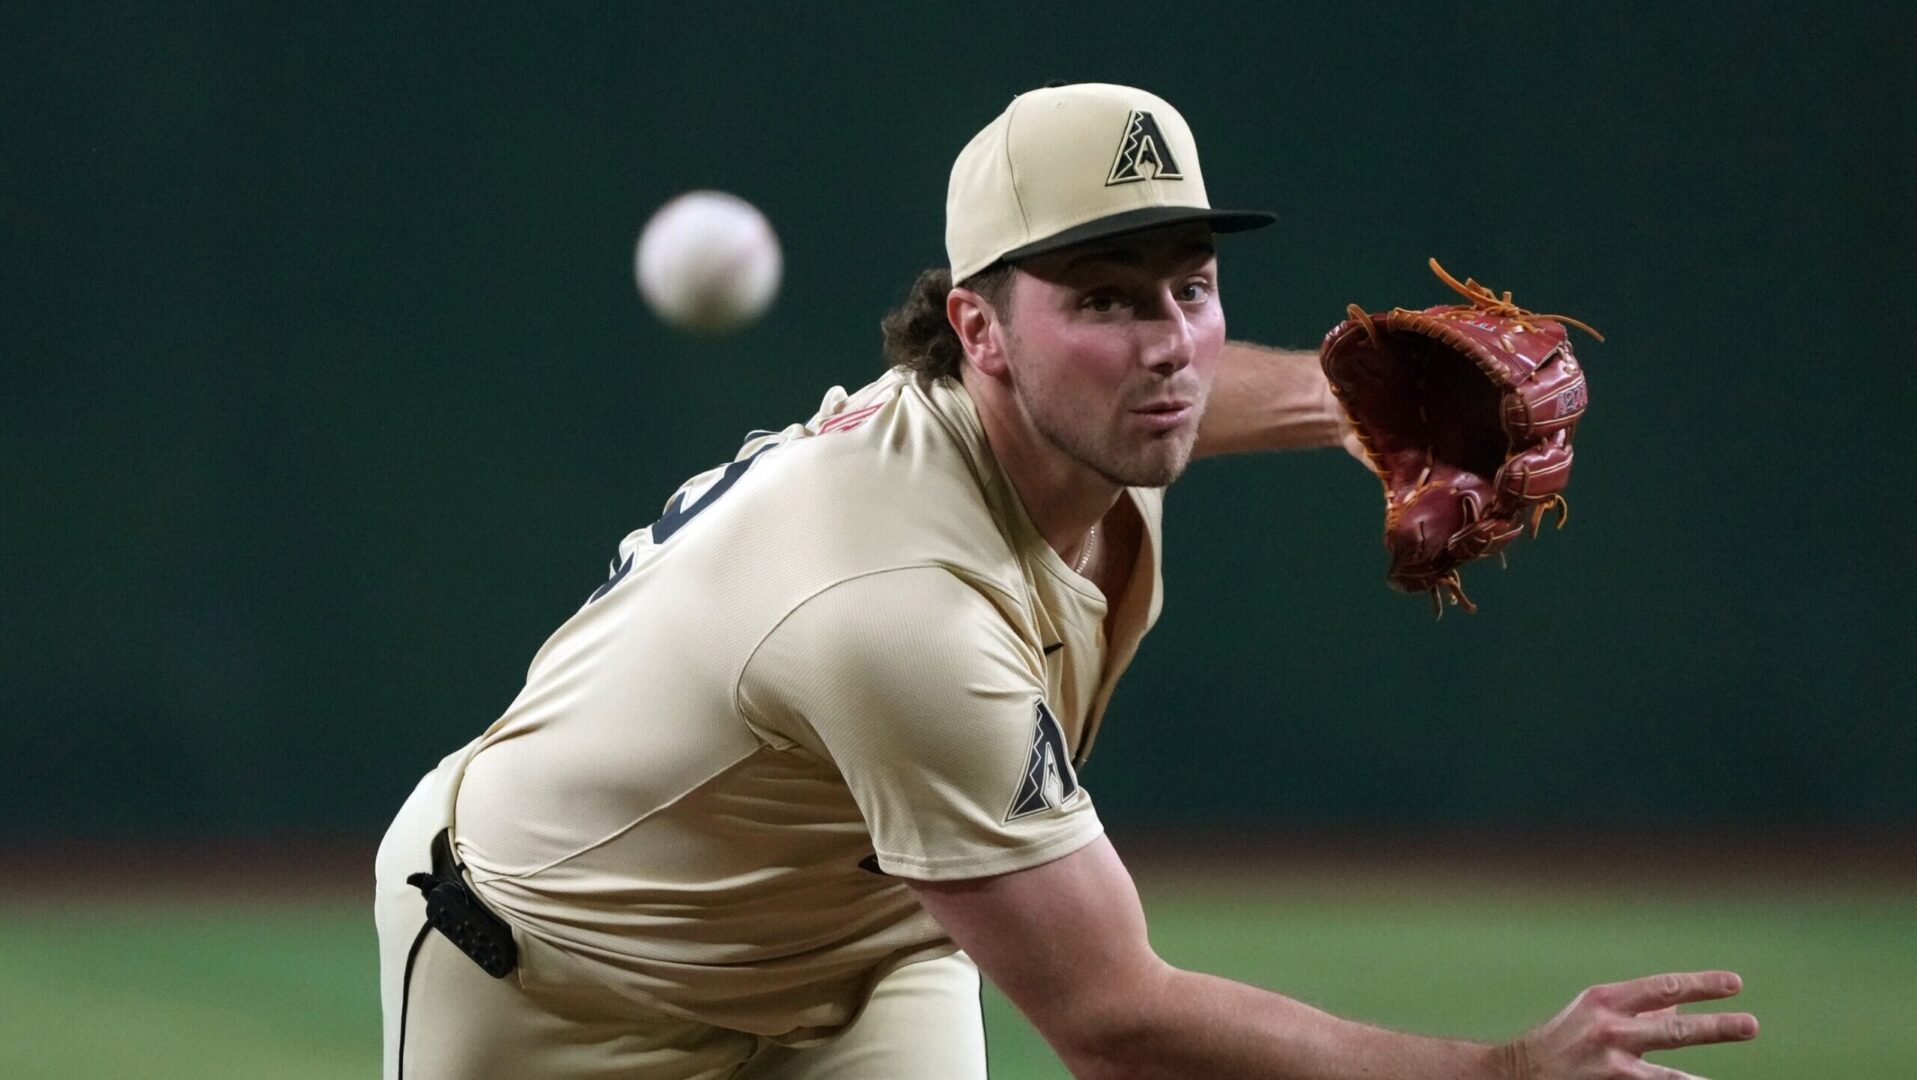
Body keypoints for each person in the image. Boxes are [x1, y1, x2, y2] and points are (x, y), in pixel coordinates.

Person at [375, 82, 1757, 1080]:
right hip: (558, 990)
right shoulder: (894, 605)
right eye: (1103, 296)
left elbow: (1183, 398)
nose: (1167, 342)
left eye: (1190, 285)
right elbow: (1114, 1023)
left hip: (858, 958)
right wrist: (1504, 1073)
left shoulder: (1073, 410)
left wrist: (1344, 416)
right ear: (976, 327)